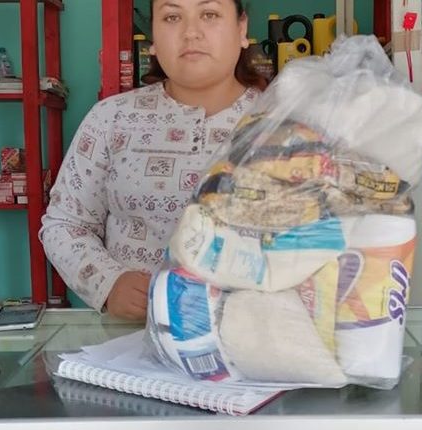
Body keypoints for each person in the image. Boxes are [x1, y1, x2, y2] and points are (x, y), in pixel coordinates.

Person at [40, 0, 266, 320]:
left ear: (241, 29)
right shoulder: (112, 119)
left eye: (209, 14)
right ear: (154, 39)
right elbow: (64, 223)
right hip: (134, 334)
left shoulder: (282, 123)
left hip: (251, 333)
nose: (191, 32)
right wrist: (109, 283)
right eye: (172, 17)